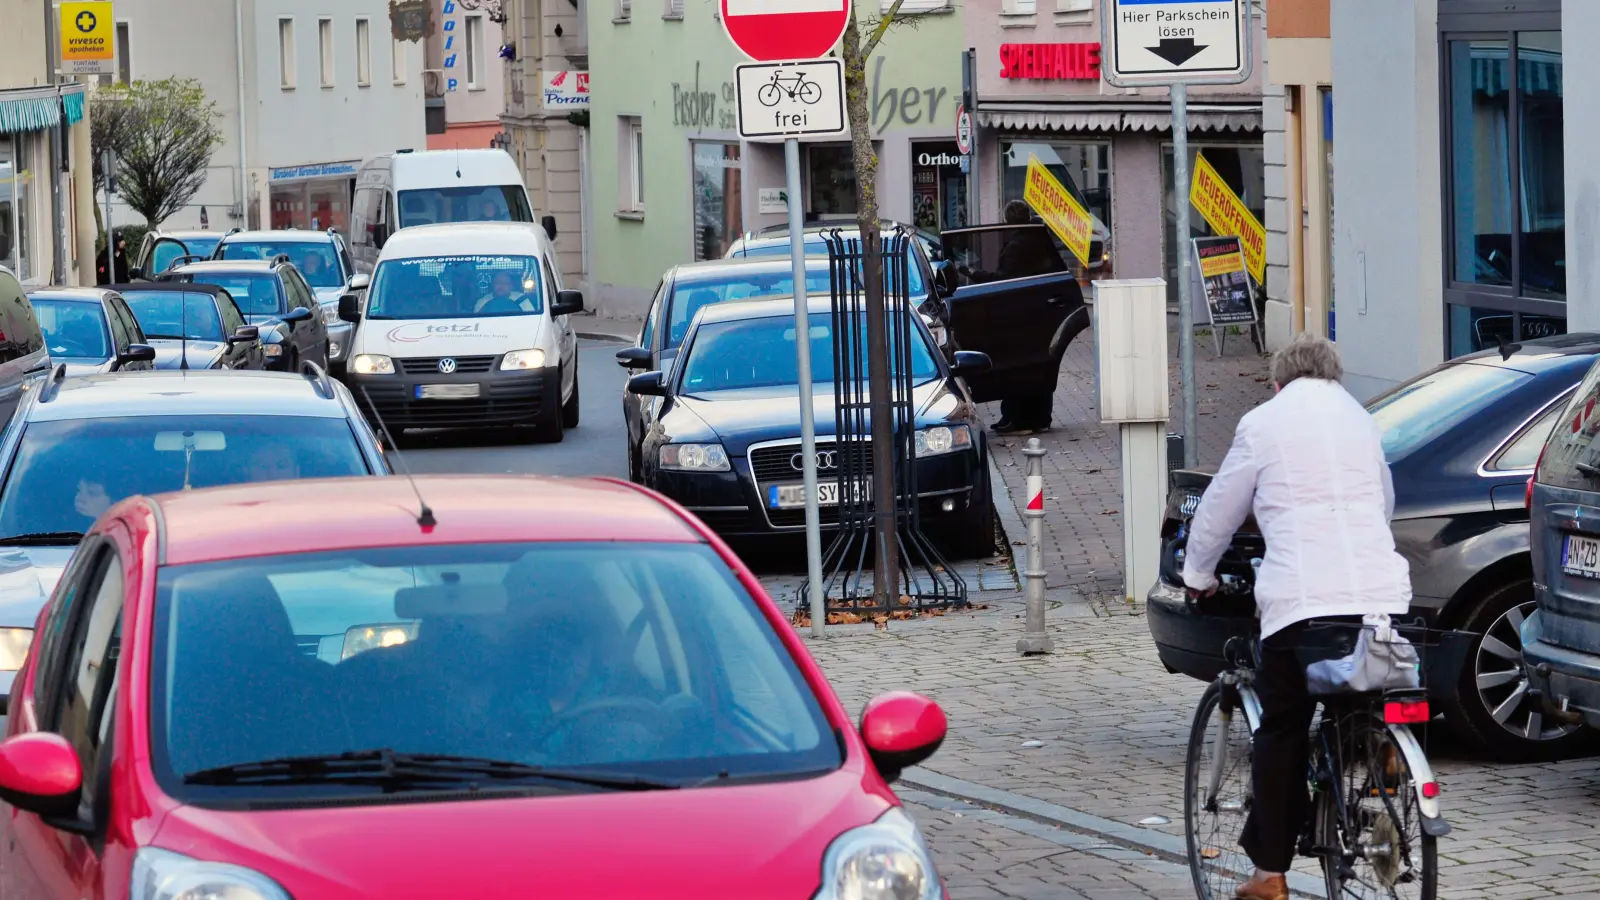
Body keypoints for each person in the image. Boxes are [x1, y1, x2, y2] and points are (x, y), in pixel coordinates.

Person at [1179, 334, 1411, 900]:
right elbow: (1384, 502)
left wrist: (1197, 576)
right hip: (1377, 596)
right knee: (1349, 685)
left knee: (1282, 726)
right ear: (1334, 377)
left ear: (1278, 381)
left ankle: (1270, 876)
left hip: (1303, 601)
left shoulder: (1264, 422)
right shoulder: (1361, 419)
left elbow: (1219, 510)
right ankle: (1381, 744)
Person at [965, 201, 1063, 435]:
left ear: (1008, 220)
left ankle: (1017, 419)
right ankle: (1040, 418)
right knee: (1040, 363)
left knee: (1014, 365)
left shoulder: (1017, 245)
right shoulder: (1041, 239)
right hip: (1040, 311)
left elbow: (1003, 280)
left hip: (1018, 313)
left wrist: (972, 273)